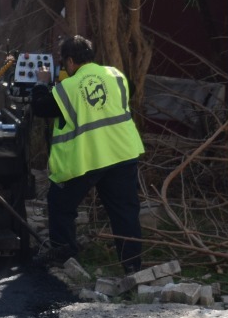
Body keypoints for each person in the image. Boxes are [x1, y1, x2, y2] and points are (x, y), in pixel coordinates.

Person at [34, 35, 145, 271]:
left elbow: (40, 107)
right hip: (122, 154)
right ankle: (133, 268)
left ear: (70, 61)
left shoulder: (66, 89)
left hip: (86, 160)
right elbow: (130, 91)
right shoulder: (116, 76)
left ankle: (66, 262)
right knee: (125, 213)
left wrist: (41, 83)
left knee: (61, 206)